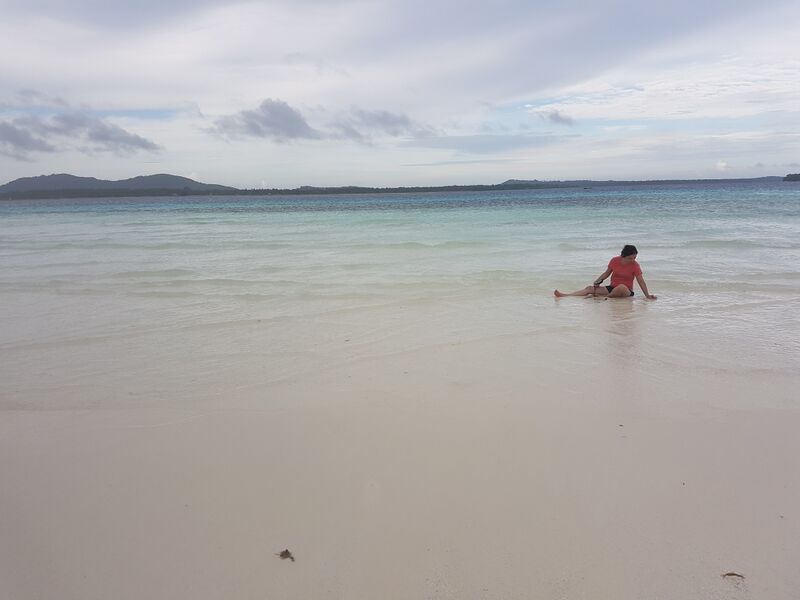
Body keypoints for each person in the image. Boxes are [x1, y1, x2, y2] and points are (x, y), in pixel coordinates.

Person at [554, 245, 657, 299]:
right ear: (623, 256)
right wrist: (598, 281)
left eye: (635, 257)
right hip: (612, 288)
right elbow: (606, 273)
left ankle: (602, 299)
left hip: (625, 291)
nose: (633, 260)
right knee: (589, 288)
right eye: (630, 258)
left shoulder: (635, 265)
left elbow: (641, 281)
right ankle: (565, 295)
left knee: (620, 287)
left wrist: (647, 295)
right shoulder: (614, 260)